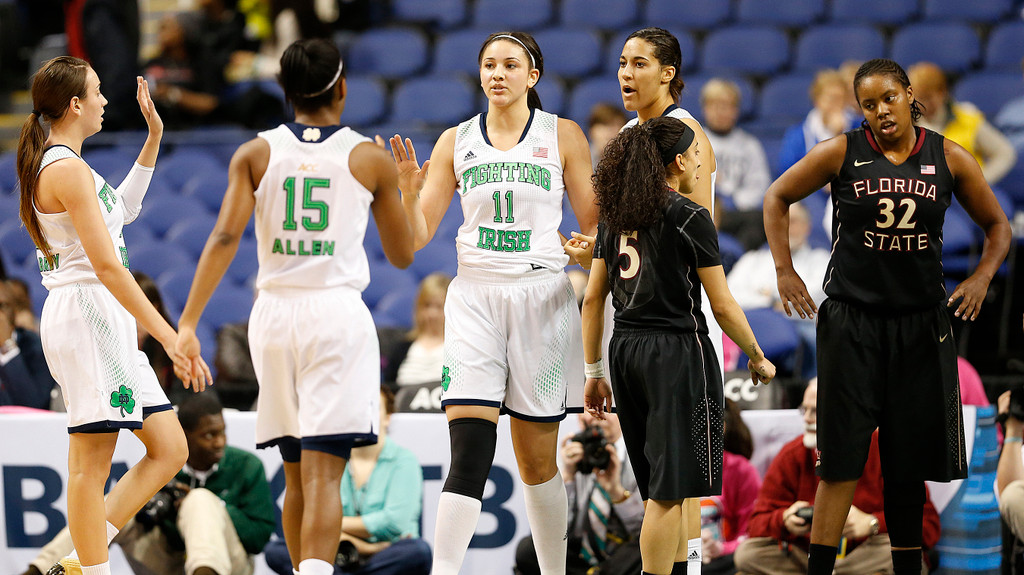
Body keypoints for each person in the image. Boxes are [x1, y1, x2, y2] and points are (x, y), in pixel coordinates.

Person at [762, 58, 1011, 575]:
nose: (881, 110)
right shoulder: (842, 151)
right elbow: (776, 196)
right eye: (869, 104)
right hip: (851, 323)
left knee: (907, 465)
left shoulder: (949, 156)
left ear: (908, 95)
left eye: (889, 98)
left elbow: (998, 226)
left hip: (920, 325)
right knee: (840, 462)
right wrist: (784, 270)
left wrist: (982, 277)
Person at [175, 38, 413, 575]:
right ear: (342, 87)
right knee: (326, 474)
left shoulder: (255, 154)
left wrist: (188, 321)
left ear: (284, 90)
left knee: (296, 471)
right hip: (334, 316)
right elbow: (402, 256)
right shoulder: (368, 158)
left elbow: (222, 238)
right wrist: (409, 191)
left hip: (274, 317)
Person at [387, 30, 598, 575]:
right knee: (469, 451)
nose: (497, 73)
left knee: (536, 464)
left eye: (510, 65)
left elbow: (597, 227)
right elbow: (416, 237)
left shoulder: (563, 135)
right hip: (475, 297)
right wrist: (408, 193)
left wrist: (585, 251)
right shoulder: (454, 141)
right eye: (488, 65)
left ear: (533, 76)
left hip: (542, 299)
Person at [16, 56, 210, 575]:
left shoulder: (71, 165)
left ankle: (78, 563)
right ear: (75, 105)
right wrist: (169, 336)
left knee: (169, 448)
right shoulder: (64, 169)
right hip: (86, 313)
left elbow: (121, 212)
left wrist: (153, 140)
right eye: (97, 92)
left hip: (100, 313)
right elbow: (107, 266)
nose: (105, 101)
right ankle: (93, 570)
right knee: (91, 462)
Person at [580, 116, 775, 575]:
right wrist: (757, 355)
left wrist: (593, 372)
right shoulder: (689, 215)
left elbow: (592, 299)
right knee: (669, 492)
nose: (701, 162)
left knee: (674, 484)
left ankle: (686, 569)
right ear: (681, 161)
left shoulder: (615, 217)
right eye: (697, 154)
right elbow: (722, 305)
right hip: (674, 353)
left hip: (624, 352)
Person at [22, 392, 275, 575]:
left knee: (199, 500)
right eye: (209, 435)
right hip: (170, 561)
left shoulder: (247, 465)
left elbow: (259, 538)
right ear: (184, 434)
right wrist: (165, 512)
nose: (220, 442)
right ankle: (40, 570)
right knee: (121, 504)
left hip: (229, 565)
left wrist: (215, 508)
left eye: (222, 432)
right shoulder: (164, 465)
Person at [733, 380, 942, 575]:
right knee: (748, 554)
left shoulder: (885, 452)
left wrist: (872, 523)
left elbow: (928, 526)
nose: (806, 418)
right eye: (804, 410)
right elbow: (755, 525)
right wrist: (785, 520)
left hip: (863, 559)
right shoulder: (792, 455)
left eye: (816, 411)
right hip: (807, 557)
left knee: (897, 554)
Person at [264, 385, 432, 575]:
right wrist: (366, 546)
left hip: (384, 556)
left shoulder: (404, 460)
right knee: (276, 550)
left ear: (388, 417)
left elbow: (394, 522)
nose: (365, 414)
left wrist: (335, 527)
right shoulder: (329, 459)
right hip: (338, 555)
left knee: (418, 551)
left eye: (373, 407)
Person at [514, 411, 645, 575]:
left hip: (623, 557)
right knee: (528, 549)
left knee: (645, 547)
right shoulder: (573, 457)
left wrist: (617, 493)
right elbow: (555, 530)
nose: (594, 418)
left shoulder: (641, 456)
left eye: (603, 409)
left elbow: (644, 530)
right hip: (581, 561)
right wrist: (567, 478)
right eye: (587, 411)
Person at [725, 202, 829, 377]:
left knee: (815, 337)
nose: (786, 227)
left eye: (793, 221)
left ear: (807, 227)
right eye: (781, 221)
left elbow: (813, 299)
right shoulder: (753, 259)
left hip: (800, 329)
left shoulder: (820, 260)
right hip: (752, 328)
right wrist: (770, 301)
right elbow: (730, 296)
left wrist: (767, 295)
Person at [909, 61, 1017, 186]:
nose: (923, 105)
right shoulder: (906, 125)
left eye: (928, 98)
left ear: (942, 92)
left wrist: (980, 182)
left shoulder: (968, 117)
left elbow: (1005, 153)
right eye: (919, 98)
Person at [700, 399, 760, 575]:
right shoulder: (674, 468)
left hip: (723, 560)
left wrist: (721, 549)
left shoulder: (741, 470)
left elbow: (752, 535)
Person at [700, 78, 771, 214]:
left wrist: (731, 200)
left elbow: (760, 187)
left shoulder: (750, 146)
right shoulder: (693, 142)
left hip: (738, 214)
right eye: (714, 106)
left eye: (726, 106)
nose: (720, 112)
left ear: (736, 110)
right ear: (705, 109)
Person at [777, 69, 856, 177]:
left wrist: (839, 135)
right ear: (817, 100)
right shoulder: (797, 135)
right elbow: (786, 175)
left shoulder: (859, 128)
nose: (837, 105)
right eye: (832, 99)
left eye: (841, 99)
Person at [381, 272, 451, 387]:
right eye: (427, 305)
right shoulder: (401, 348)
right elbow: (387, 390)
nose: (432, 313)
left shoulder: (460, 349)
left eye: (439, 306)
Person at [0, 279, 57, 409]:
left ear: (15, 311)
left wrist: (7, 347)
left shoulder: (35, 346)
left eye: (2, 306)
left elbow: (33, 404)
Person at [132, 271, 185, 405]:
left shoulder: (170, 343)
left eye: (138, 310)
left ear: (155, 308)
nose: (133, 319)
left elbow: (187, 394)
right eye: (126, 310)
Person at [587, 102, 628, 167]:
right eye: (606, 125)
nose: (612, 133)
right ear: (591, 131)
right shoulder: (579, 158)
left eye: (617, 126)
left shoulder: (631, 160)